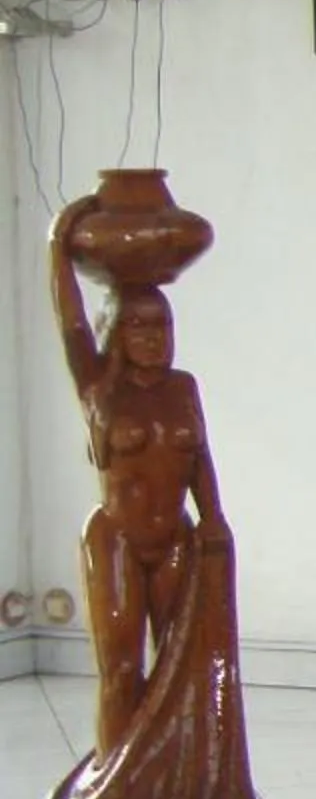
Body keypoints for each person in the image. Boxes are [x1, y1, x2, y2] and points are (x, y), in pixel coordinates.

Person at [52, 197, 225, 758]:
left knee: (179, 668)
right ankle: (113, 781)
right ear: (117, 334)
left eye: (163, 325)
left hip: (175, 536)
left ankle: (170, 781)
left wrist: (214, 517)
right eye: (141, 327)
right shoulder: (100, 390)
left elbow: (199, 457)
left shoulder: (184, 386)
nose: (155, 338)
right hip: (120, 538)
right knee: (122, 670)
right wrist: (61, 239)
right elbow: (71, 319)